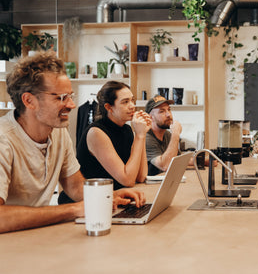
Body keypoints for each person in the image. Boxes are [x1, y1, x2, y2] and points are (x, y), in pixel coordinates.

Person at [0, 52, 145, 234]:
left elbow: (75, 187)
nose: (71, 105)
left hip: (34, 235)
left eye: (71, 96)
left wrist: (108, 196)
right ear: (29, 101)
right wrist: (73, 209)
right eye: (61, 98)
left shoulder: (58, 132)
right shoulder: (3, 139)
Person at [75, 81, 152, 190]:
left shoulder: (126, 129)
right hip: (90, 200)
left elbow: (141, 176)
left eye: (132, 100)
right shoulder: (96, 132)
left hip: (115, 196)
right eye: (125, 102)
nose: (132, 106)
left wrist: (142, 134)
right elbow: (128, 180)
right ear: (109, 107)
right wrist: (139, 136)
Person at [144, 95, 186, 175]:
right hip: (147, 186)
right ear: (150, 117)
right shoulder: (146, 138)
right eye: (161, 111)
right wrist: (176, 133)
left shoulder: (167, 134)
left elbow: (178, 160)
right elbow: (165, 166)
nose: (168, 115)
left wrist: (204, 161)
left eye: (169, 110)